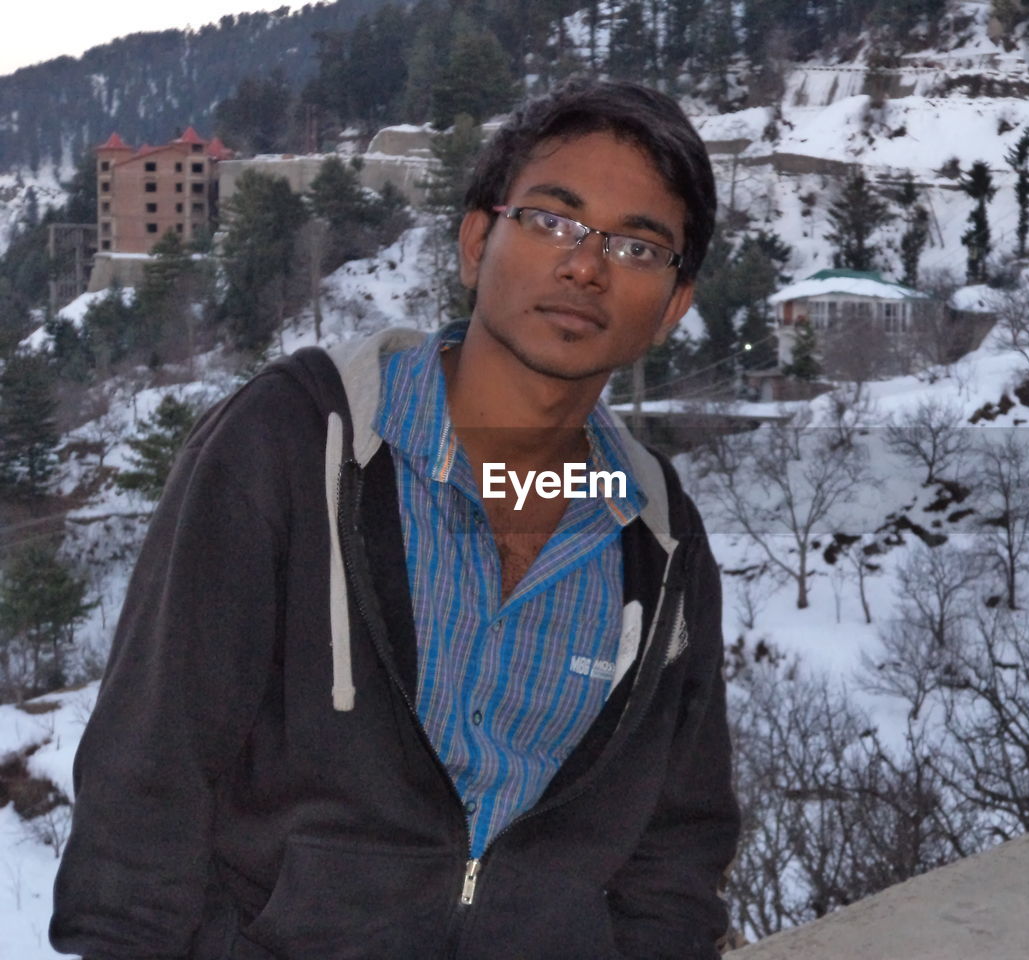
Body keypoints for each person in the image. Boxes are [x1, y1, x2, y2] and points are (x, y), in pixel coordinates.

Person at [50, 79, 739, 959]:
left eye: (639, 247)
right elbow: (149, 782)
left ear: (675, 305)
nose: (586, 266)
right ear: (475, 240)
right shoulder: (299, 442)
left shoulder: (658, 540)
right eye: (552, 221)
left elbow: (676, 851)